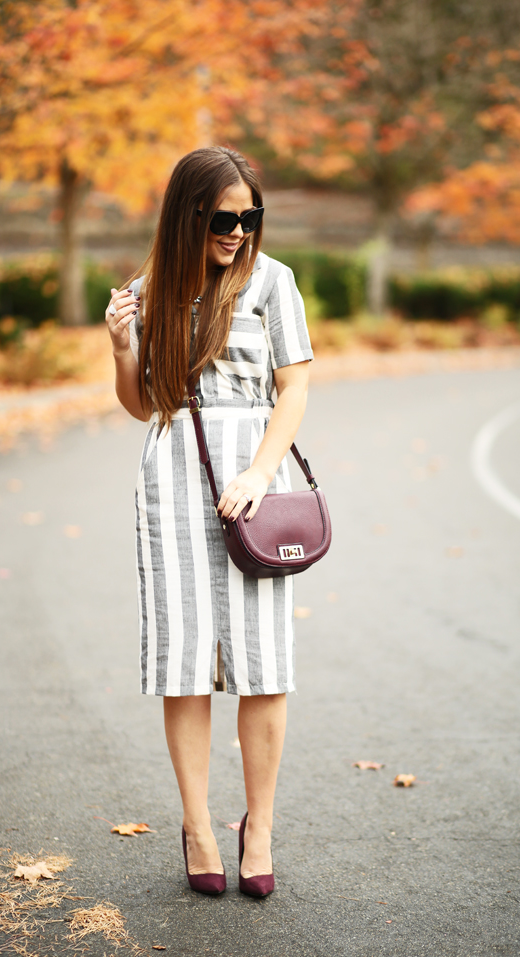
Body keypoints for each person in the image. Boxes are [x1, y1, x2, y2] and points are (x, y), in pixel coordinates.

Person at [105, 146, 313, 898]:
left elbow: (293, 390)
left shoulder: (272, 282)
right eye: (225, 218)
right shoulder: (152, 286)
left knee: (262, 662)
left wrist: (260, 471)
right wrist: (122, 348)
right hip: (171, 478)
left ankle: (257, 825)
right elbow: (144, 405)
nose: (238, 231)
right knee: (185, 658)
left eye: (249, 216)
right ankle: (196, 824)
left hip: (255, 479)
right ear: (189, 214)